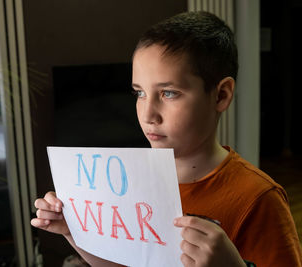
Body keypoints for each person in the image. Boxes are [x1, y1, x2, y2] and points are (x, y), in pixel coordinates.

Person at [31, 11, 302, 266]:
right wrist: (75, 233)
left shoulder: (258, 199)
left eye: (169, 93)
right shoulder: (128, 181)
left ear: (221, 95)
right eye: (139, 93)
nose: (148, 114)